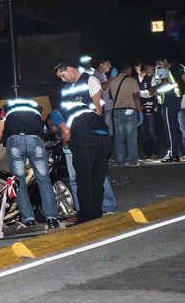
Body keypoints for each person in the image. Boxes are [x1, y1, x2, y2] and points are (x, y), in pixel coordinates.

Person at [53, 60, 111, 223]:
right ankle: (95, 213)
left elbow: (98, 108)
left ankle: (91, 214)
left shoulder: (90, 80)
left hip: (85, 135)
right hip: (95, 136)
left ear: (70, 69)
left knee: (86, 179)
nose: (63, 80)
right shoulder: (66, 90)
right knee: (94, 178)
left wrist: (69, 141)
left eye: (63, 75)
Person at [0, 98, 60, 230]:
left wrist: (5, 136)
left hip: (15, 142)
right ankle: (52, 219)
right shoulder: (36, 107)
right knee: (44, 180)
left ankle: (28, 220)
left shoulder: (7, 108)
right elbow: (45, 128)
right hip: (36, 141)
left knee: (20, 183)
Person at [49, 109, 117, 215]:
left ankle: (85, 214)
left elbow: (66, 132)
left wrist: (66, 149)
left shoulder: (55, 114)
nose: (53, 130)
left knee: (82, 181)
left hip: (84, 140)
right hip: (104, 138)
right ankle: (104, 209)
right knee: (98, 179)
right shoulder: (83, 107)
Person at [108, 63, 143, 167]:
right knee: (131, 136)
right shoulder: (131, 80)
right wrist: (140, 111)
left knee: (118, 137)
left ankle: (120, 160)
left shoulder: (113, 81)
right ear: (128, 69)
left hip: (116, 110)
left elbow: (110, 95)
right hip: (130, 110)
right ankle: (132, 160)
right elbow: (136, 96)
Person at [154, 56, 185, 162]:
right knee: (174, 128)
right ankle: (177, 152)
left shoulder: (161, 70)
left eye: (159, 62)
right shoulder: (167, 70)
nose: (157, 65)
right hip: (174, 101)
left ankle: (173, 154)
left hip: (168, 102)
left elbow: (165, 83)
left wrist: (154, 89)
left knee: (170, 129)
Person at [138, 62, 160, 159]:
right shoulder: (141, 79)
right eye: (149, 70)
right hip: (142, 107)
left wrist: (141, 93)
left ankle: (156, 151)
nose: (150, 72)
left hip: (151, 107)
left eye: (152, 70)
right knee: (144, 131)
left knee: (151, 130)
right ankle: (147, 151)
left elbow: (152, 93)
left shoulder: (154, 79)